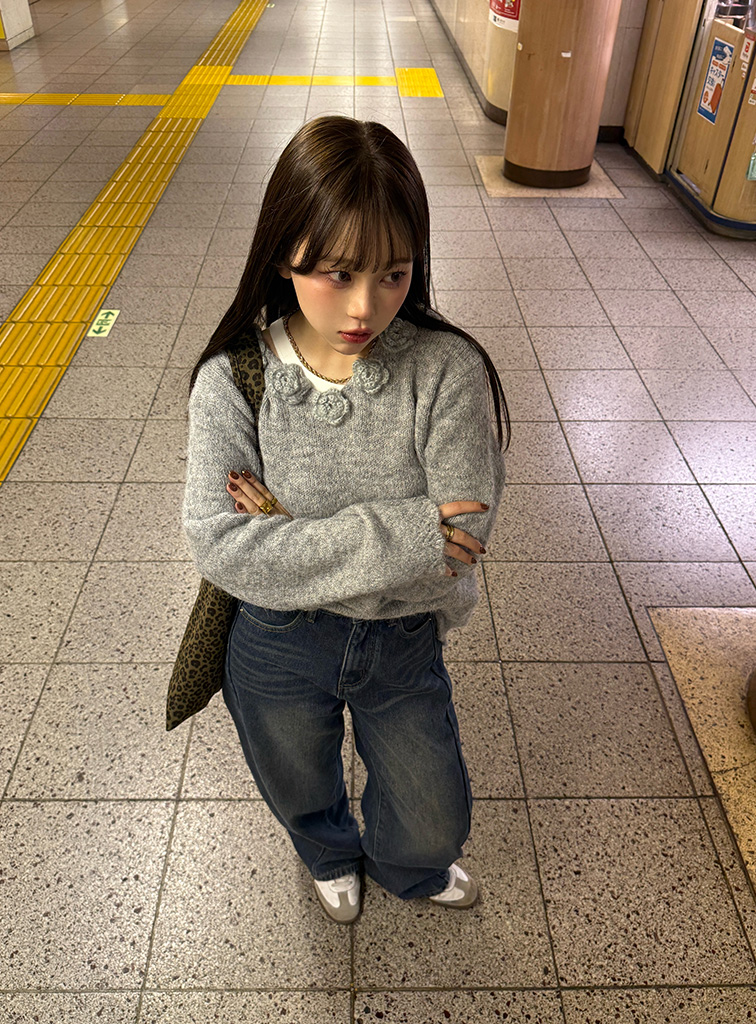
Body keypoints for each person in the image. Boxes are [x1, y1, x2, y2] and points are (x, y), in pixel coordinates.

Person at [183, 115, 509, 925]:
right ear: (282, 254)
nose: (366, 307)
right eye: (336, 273)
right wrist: (409, 532)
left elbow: (462, 541)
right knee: (294, 776)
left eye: (394, 274)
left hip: (401, 638)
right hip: (275, 640)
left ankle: (407, 865)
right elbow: (219, 543)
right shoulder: (234, 380)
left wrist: (286, 527)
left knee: (433, 811)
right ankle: (328, 852)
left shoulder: (447, 370)